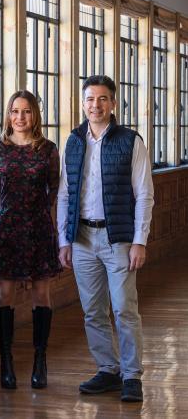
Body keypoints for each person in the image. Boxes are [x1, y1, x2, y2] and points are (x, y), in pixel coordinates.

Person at [57, 75, 154, 402]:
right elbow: (64, 195)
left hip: (119, 240)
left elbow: (144, 195)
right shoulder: (73, 141)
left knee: (125, 308)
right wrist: (64, 240)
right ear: (83, 103)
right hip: (82, 238)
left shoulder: (130, 141)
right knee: (93, 310)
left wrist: (140, 240)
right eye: (89, 99)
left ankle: (131, 376)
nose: (95, 105)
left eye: (102, 99)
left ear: (113, 103)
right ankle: (107, 370)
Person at [0, 90, 62, 390]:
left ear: (36, 115)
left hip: (39, 229)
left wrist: (34, 215)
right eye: (15, 111)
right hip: (7, 230)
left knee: (41, 296)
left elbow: (54, 191)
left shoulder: (48, 149)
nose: (20, 117)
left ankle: (39, 362)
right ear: (8, 115)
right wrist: (11, 213)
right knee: (5, 297)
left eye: (27, 111)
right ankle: (6, 363)